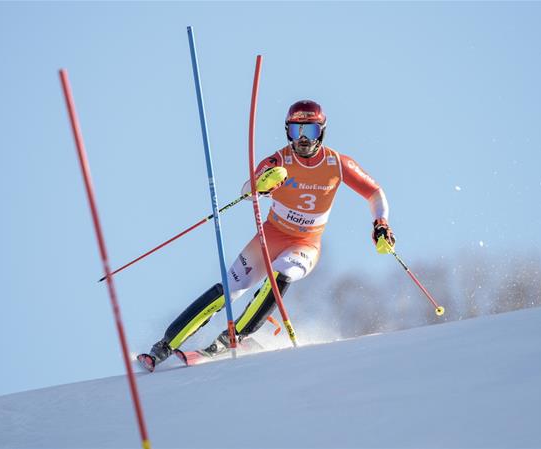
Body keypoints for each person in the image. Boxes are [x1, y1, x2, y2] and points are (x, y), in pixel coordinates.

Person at [138, 100, 396, 371]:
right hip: (271, 236)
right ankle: (163, 347)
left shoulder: (337, 163)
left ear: (322, 132)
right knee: (229, 290)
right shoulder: (278, 161)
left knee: (282, 275)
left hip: (306, 244)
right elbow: (247, 188)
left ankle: (232, 338)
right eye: (297, 132)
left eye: (311, 131)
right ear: (288, 132)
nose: (304, 140)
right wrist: (261, 186)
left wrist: (380, 223)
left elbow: (374, 192)